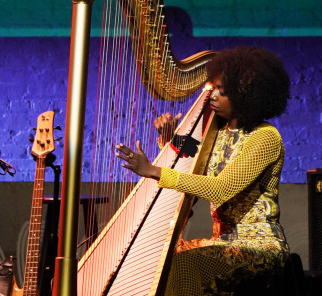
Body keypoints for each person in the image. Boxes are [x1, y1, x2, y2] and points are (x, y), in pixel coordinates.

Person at [116, 46, 290, 295]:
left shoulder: (265, 138)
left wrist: (154, 171)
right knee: (155, 256)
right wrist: (168, 140)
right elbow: (191, 168)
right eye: (213, 88)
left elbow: (220, 188)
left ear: (247, 94)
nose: (213, 96)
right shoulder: (216, 132)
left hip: (258, 247)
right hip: (221, 242)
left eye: (223, 91)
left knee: (183, 263)